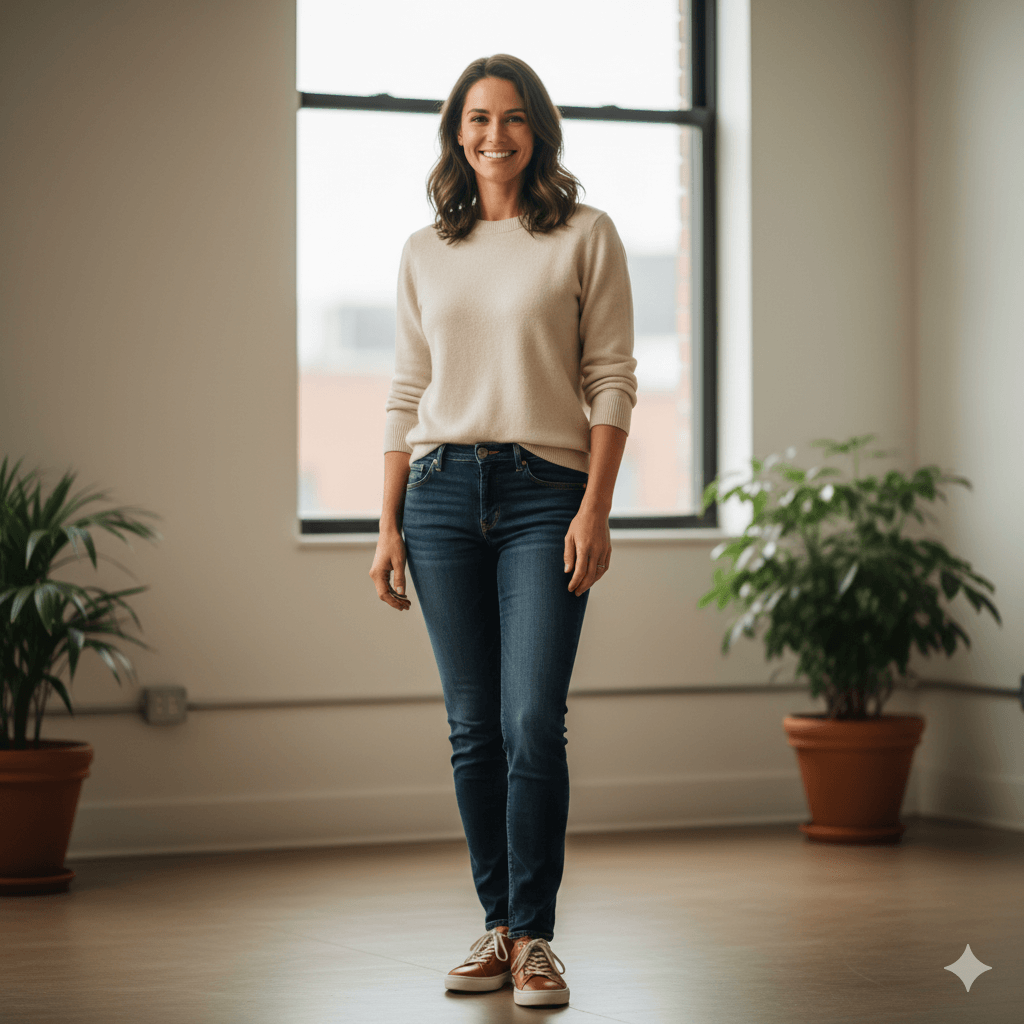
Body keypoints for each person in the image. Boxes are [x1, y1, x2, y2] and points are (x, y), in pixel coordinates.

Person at [368, 53, 637, 1008]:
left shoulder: (585, 235)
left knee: (531, 722)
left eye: (514, 117)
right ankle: (498, 926)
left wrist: (595, 507)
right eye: (479, 118)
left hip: (544, 493)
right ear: (457, 132)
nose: (495, 134)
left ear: (538, 130)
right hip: (438, 494)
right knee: (473, 728)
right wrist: (387, 525)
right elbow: (406, 391)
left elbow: (611, 378)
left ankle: (536, 938)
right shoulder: (424, 250)